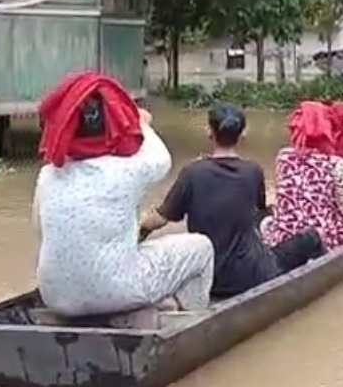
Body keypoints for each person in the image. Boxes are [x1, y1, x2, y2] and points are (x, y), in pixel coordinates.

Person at [33, 72, 214, 317]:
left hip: (54, 296)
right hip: (113, 289)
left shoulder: (48, 175)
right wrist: (142, 122)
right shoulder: (129, 169)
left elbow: (41, 232)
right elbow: (162, 159)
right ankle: (193, 322)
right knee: (202, 247)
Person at [139, 104, 325, 299]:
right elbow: (261, 211)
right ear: (242, 135)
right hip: (253, 275)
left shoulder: (192, 173)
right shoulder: (253, 171)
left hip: (209, 278)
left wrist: (138, 232)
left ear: (208, 133)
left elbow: (159, 219)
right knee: (311, 238)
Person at [262, 101, 343, 251]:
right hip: (327, 240)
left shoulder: (283, 157)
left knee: (266, 223)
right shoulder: (336, 164)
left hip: (286, 237)